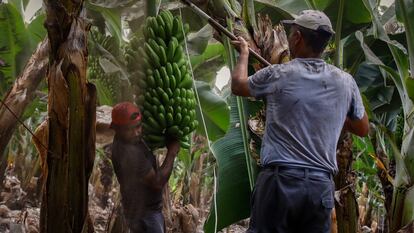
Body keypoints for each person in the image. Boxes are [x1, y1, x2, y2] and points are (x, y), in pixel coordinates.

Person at [231, 10, 369, 233]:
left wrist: (244, 53)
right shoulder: (346, 82)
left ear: (297, 38)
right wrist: (330, 113)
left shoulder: (278, 74)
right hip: (319, 188)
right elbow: (362, 128)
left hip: (279, 183)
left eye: (291, 32)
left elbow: (238, 85)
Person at [110, 102, 180, 233]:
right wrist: (172, 152)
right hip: (145, 215)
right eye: (129, 129)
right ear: (117, 128)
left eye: (138, 127)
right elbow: (157, 182)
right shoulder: (129, 153)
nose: (136, 133)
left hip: (140, 211)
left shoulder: (130, 139)